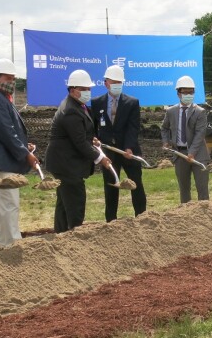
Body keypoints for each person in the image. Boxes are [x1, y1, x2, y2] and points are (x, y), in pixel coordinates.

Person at [0, 58, 38, 248]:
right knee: (9, 204)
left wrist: (23, 144)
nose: (12, 82)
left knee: (2, 205)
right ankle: (13, 245)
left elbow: (8, 131)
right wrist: (25, 155)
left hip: (1, 160)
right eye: (8, 78)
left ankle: (4, 243)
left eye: (13, 78)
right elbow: (6, 132)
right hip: (2, 162)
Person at [45, 70, 112, 232]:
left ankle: (60, 236)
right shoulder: (70, 110)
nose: (88, 92)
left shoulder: (77, 106)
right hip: (66, 165)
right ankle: (75, 237)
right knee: (75, 203)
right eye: (84, 89)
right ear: (73, 90)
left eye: (89, 89)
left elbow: (82, 135)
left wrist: (93, 140)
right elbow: (79, 143)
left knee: (64, 203)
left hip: (64, 163)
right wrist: (100, 158)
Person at [90, 65, 146, 221]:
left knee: (136, 185)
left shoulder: (132, 103)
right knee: (111, 187)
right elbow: (93, 127)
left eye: (119, 82)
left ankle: (142, 218)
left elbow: (133, 128)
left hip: (129, 151)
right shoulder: (96, 103)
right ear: (106, 83)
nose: (117, 85)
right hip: (108, 153)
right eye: (114, 82)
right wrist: (95, 142)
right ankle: (111, 221)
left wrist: (128, 147)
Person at [161, 75, 211, 203]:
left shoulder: (200, 112)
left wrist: (192, 153)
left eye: (191, 92)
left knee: (202, 189)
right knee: (184, 190)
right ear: (178, 94)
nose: (188, 95)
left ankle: (204, 216)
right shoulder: (171, 111)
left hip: (198, 154)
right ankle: (186, 217)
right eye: (185, 92)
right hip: (179, 155)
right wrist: (166, 141)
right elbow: (164, 128)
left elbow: (200, 134)